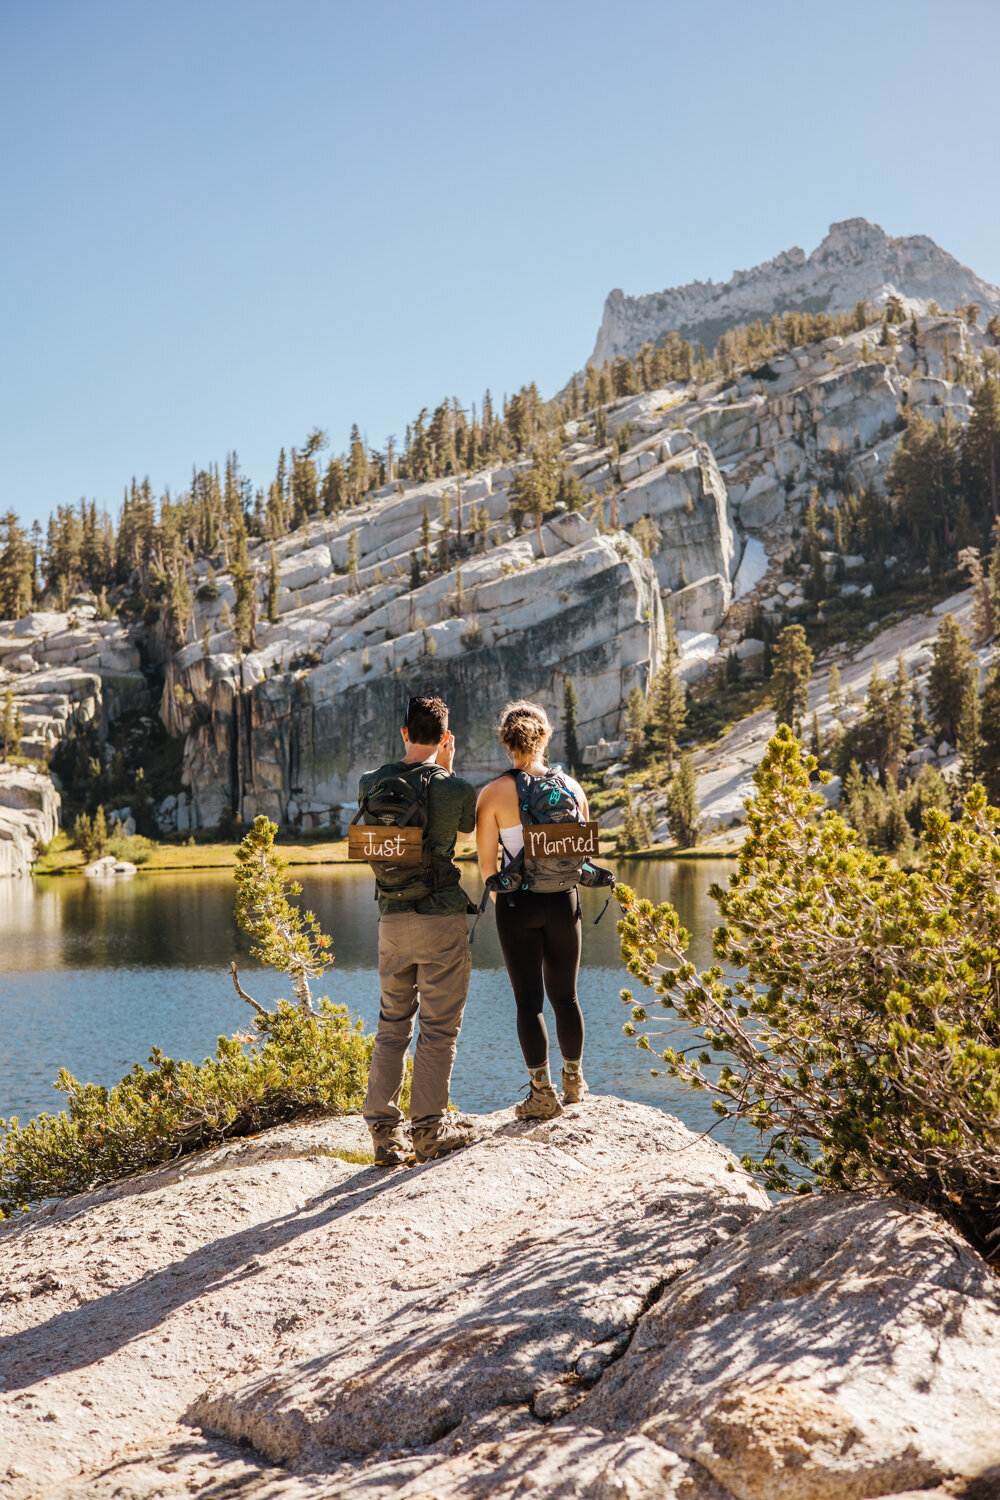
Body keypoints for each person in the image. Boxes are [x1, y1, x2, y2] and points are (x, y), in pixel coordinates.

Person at [359, 694, 477, 1167]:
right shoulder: (454, 787)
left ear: (404, 733)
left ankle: (384, 1135)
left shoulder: (371, 782)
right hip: (440, 917)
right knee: (438, 1028)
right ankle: (428, 1132)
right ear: (445, 737)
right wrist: (446, 767)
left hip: (390, 918)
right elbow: (465, 831)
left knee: (392, 1024)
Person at [476, 699, 589, 1120]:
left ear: (507, 741)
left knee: (529, 1003)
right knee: (567, 996)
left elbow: (489, 868)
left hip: (518, 904)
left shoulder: (492, 793)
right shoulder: (573, 788)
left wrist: (507, 902)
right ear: (545, 737)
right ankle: (574, 1082)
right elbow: (581, 853)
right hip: (564, 900)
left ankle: (542, 1093)